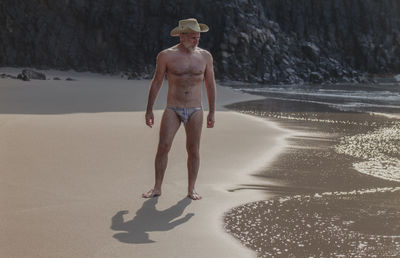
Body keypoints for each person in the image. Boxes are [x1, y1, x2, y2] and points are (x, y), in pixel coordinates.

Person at [142, 18, 216, 200]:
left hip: (196, 109)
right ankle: (157, 187)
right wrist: (149, 109)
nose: (196, 40)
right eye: (192, 37)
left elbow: (210, 83)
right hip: (173, 108)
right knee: (163, 147)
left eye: (198, 37)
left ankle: (191, 189)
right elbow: (157, 81)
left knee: (193, 149)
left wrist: (212, 111)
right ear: (182, 36)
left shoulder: (205, 56)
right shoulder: (166, 56)